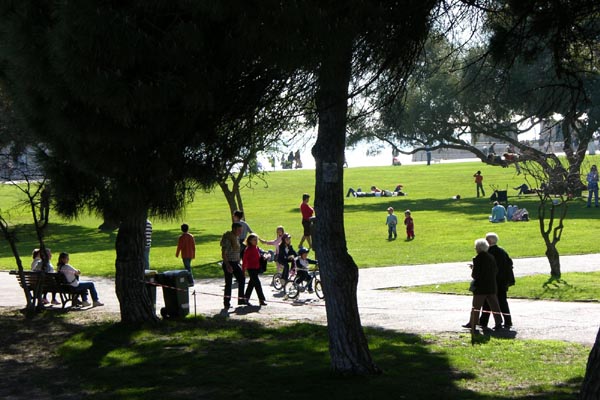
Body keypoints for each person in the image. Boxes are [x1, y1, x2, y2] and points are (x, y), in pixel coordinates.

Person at [462, 238, 503, 330]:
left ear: (478, 248)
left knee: (476, 306)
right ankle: (499, 322)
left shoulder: (477, 259)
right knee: (494, 305)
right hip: (491, 285)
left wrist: (473, 268)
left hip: (481, 287)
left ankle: (473, 323)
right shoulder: (491, 257)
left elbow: (475, 275)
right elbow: (495, 270)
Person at [478, 233, 515, 329]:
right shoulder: (502, 251)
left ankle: (484, 322)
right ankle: (507, 321)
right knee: (502, 302)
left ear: (489, 241)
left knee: (488, 301)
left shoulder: (489, 253)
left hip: (493, 281)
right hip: (503, 281)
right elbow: (510, 263)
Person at [220, 222, 246, 308]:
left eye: (241, 230)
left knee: (242, 279)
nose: (240, 232)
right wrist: (227, 265)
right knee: (229, 283)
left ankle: (241, 299)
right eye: (239, 230)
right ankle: (226, 303)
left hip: (235, 262)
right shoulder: (228, 238)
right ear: (234, 229)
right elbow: (224, 253)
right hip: (229, 262)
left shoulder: (236, 237)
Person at [242, 234, 267, 306]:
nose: (256, 241)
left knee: (251, 284)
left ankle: (246, 298)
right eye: (254, 240)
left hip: (256, 268)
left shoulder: (257, 248)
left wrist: (264, 257)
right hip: (251, 269)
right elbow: (244, 260)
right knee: (257, 284)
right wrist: (243, 270)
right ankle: (261, 300)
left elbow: (259, 256)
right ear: (250, 241)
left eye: (256, 240)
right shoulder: (248, 249)